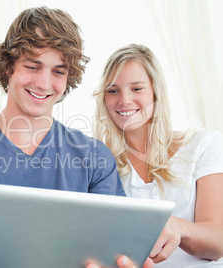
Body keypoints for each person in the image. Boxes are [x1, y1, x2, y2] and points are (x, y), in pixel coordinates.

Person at [0, 6, 151, 268]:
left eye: (58, 71)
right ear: (8, 67)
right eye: (33, 66)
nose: (44, 84)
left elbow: (115, 249)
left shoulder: (94, 157)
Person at [94, 43, 223, 267]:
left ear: (156, 92)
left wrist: (178, 227)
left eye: (136, 88)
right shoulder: (101, 165)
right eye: (113, 90)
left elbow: (217, 241)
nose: (124, 100)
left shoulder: (204, 145)